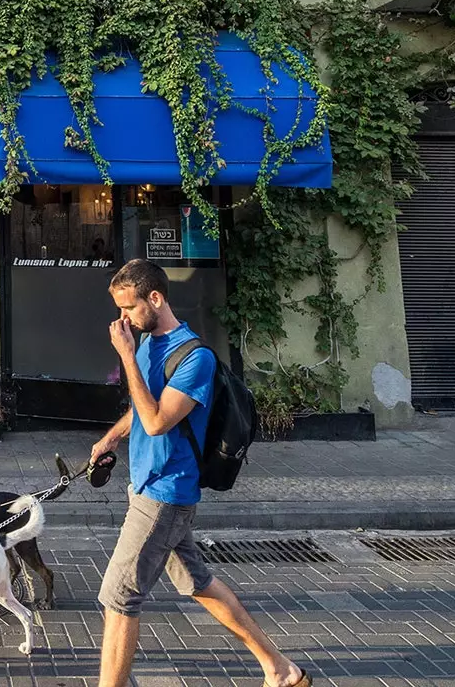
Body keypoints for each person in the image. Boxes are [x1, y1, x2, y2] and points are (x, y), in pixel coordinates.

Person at [90, 259, 310, 687]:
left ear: (155, 298)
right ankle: (280, 669)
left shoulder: (195, 358)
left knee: (119, 597)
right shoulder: (150, 340)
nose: (123, 320)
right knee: (199, 582)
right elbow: (141, 406)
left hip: (166, 494)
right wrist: (112, 437)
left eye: (129, 308)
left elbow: (157, 421)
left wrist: (126, 356)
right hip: (146, 486)